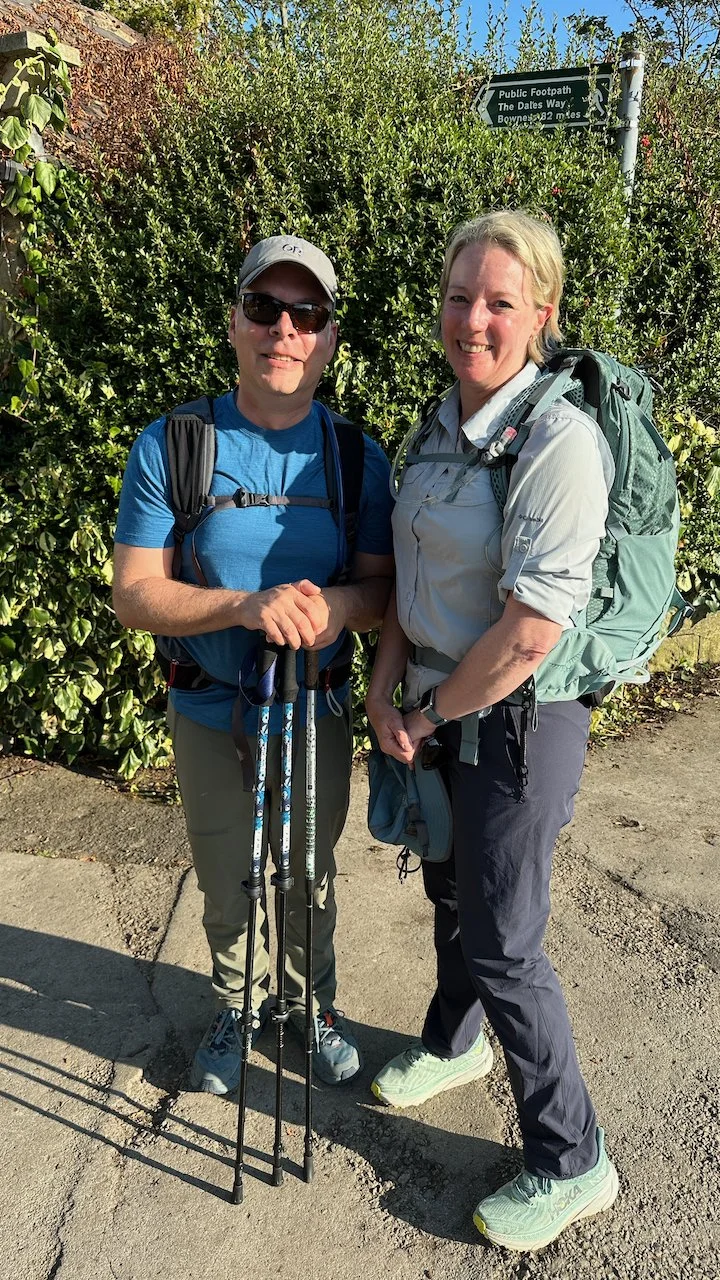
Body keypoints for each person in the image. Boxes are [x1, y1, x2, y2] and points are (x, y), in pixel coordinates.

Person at [366, 210, 619, 1251]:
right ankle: (454, 1039)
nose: (474, 317)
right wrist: (385, 688)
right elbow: (402, 580)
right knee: (447, 881)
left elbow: (526, 634)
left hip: (521, 717)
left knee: (506, 937)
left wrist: (424, 708)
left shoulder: (561, 439)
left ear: (542, 315)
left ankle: (573, 1156)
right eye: (461, 295)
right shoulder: (433, 427)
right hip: (427, 702)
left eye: (501, 301)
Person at [113, 234, 394, 1092]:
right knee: (227, 874)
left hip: (315, 706)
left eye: (306, 313)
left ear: (330, 340)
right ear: (234, 323)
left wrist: (334, 610)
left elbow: (381, 597)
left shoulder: (356, 456)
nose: (284, 329)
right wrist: (243, 607)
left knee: (309, 873)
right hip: (209, 710)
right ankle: (239, 1004)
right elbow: (134, 594)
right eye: (264, 308)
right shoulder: (174, 445)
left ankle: (313, 1006)